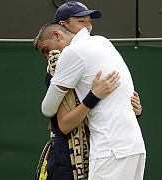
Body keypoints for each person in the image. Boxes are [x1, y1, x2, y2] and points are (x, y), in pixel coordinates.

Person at [35, 2, 144, 180]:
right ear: (62, 26)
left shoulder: (74, 53)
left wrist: (94, 96)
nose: (87, 25)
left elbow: (47, 109)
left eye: (88, 20)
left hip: (110, 150)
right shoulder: (104, 42)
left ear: (57, 33)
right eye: (81, 20)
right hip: (134, 147)